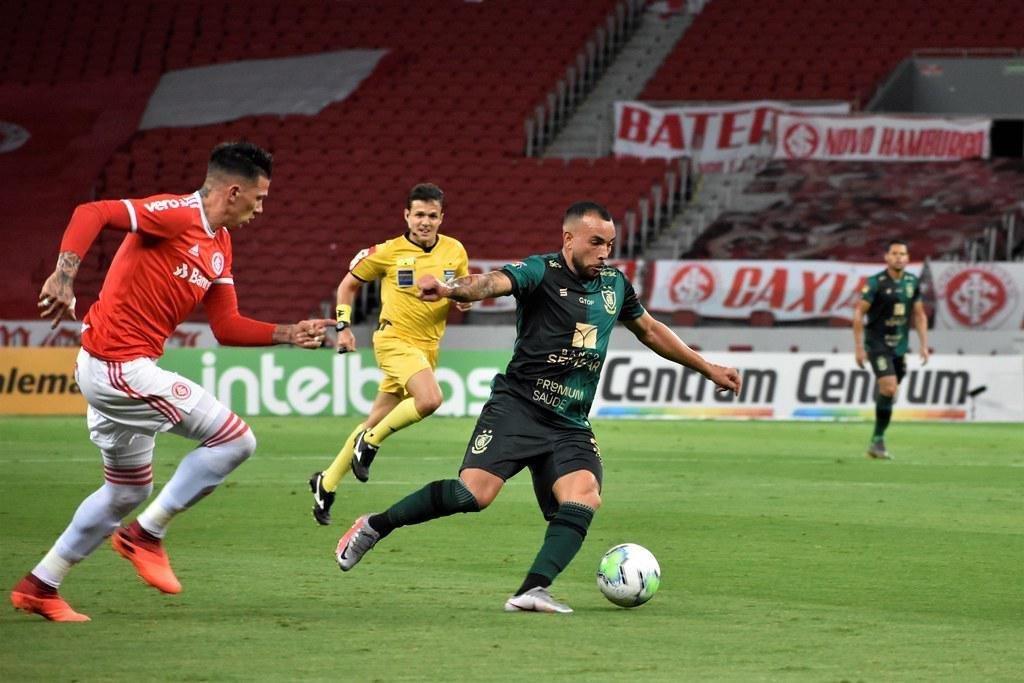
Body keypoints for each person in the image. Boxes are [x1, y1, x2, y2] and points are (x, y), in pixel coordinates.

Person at [333, 201, 741, 613]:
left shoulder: (614, 285)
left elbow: (650, 330)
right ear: (568, 239)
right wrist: (452, 289)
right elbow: (491, 282)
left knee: (584, 495)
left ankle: (532, 590)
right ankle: (374, 526)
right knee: (473, 494)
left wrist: (707, 368)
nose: (605, 252)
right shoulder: (540, 271)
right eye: (596, 242)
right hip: (518, 408)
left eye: (610, 244)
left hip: (569, 422)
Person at [10, 141, 333, 622]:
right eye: (260, 198)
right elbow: (92, 211)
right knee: (235, 440)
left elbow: (226, 327)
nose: (261, 209)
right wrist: (63, 276)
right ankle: (145, 534)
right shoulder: (177, 215)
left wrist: (288, 333)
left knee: (125, 491)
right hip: (118, 366)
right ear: (234, 191)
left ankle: (41, 585)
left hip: (116, 370)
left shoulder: (220, 245)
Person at [308, 183, 469, 525]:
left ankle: (327, 482)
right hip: (394, 339)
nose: (425, 221)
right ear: (406, 216)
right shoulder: (387, 251)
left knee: (376, 417)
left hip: (428, 348)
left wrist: (461, 297)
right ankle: (370, 442)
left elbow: (464, 292)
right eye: (419, 215)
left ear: (442, 218)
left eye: (432, 215)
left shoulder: (455, 251)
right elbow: (347, 285)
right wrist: (343, 327)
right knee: (429, 400)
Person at [853, 238, 930, 460]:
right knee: (889, 388)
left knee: (890, 389)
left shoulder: (912, 282)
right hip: (877, 343)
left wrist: (924, 345)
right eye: (894, 253)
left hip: (900, 346)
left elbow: (919, 315)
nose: (898, 257)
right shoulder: (875, 283)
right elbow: (859, 313)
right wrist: (859, 348)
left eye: (902, 254)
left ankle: (883, 394)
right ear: (887, 257)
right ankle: (877, 440)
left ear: (907, 258)